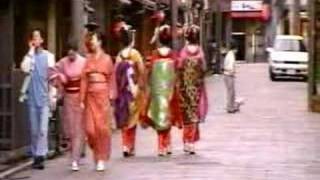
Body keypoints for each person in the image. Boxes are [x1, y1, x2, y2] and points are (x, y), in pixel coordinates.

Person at [80, 30, 116, 171]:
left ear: (100, 41)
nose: (92, 42)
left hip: (103, 96)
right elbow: (84, 79)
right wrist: (82, 98)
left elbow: (111, 78)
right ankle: (96, 152)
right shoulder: (88, 59)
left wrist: (111, 93)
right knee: (90, 130)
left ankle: (101, 158)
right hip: (90, 96)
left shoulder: (107, 59)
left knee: (102, 129)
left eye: (94, 39)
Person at [20, 29, 57, 170]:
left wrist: (53, 97)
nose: (36, 40)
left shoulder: (49, 56)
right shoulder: (29, 57)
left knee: (42, 129)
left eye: (38, 37)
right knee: (34, 130)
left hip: (44, 98)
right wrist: (30, 51)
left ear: (42, 40)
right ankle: (36, 155)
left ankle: (41, 155)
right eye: (33, 37)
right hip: (32, 98)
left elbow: (53, 78)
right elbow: (24, 69)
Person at [49, 41, 86, 171]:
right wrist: (60, 78)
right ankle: (73, 155)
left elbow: (86, 79)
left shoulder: (83, 62)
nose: (71, 54)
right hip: (68, 98)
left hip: (80, 97)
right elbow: (51, 71)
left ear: (76, 51)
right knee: (70, 129)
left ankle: (75, 159)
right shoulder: (63, 62)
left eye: (73, 51)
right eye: (69, 52)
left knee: (79, 129)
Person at [114, 28, 145, 157]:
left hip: (122, 90)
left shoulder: (119, 56)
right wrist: (141, 85)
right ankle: (130, 145)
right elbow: (141, 70)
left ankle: (125, 145)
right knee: (133, 117)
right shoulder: (136, 54)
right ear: (131, 40)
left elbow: (115, 74)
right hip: (134, 88)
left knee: (124, 117)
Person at [178, 25, 208, 155]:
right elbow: (204, 68)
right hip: (196, 88)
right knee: (195, 114)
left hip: (185, 87)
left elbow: (179, 67)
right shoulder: (200, 51)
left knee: (186, 115)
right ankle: (191, 142)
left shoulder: (183, 51)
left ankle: (186, 141)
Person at [147, 25, 177, 156]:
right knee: (168, 116)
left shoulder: (154, 55)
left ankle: (160, 146)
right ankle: (168, 144)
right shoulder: (173, 54)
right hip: (169, 90)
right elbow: (176, 72)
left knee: (159, 116)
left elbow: (149, 72)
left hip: (158, 90)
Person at [223, 41, 243, 113]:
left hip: (226, 75)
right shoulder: (231, 55)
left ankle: (232, 106)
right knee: (230, 92)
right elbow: (231, 67)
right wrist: (233, 73)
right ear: (235, 49)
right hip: (229, 75)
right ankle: (230, 107)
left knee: (231, 92)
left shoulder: (229, 54)